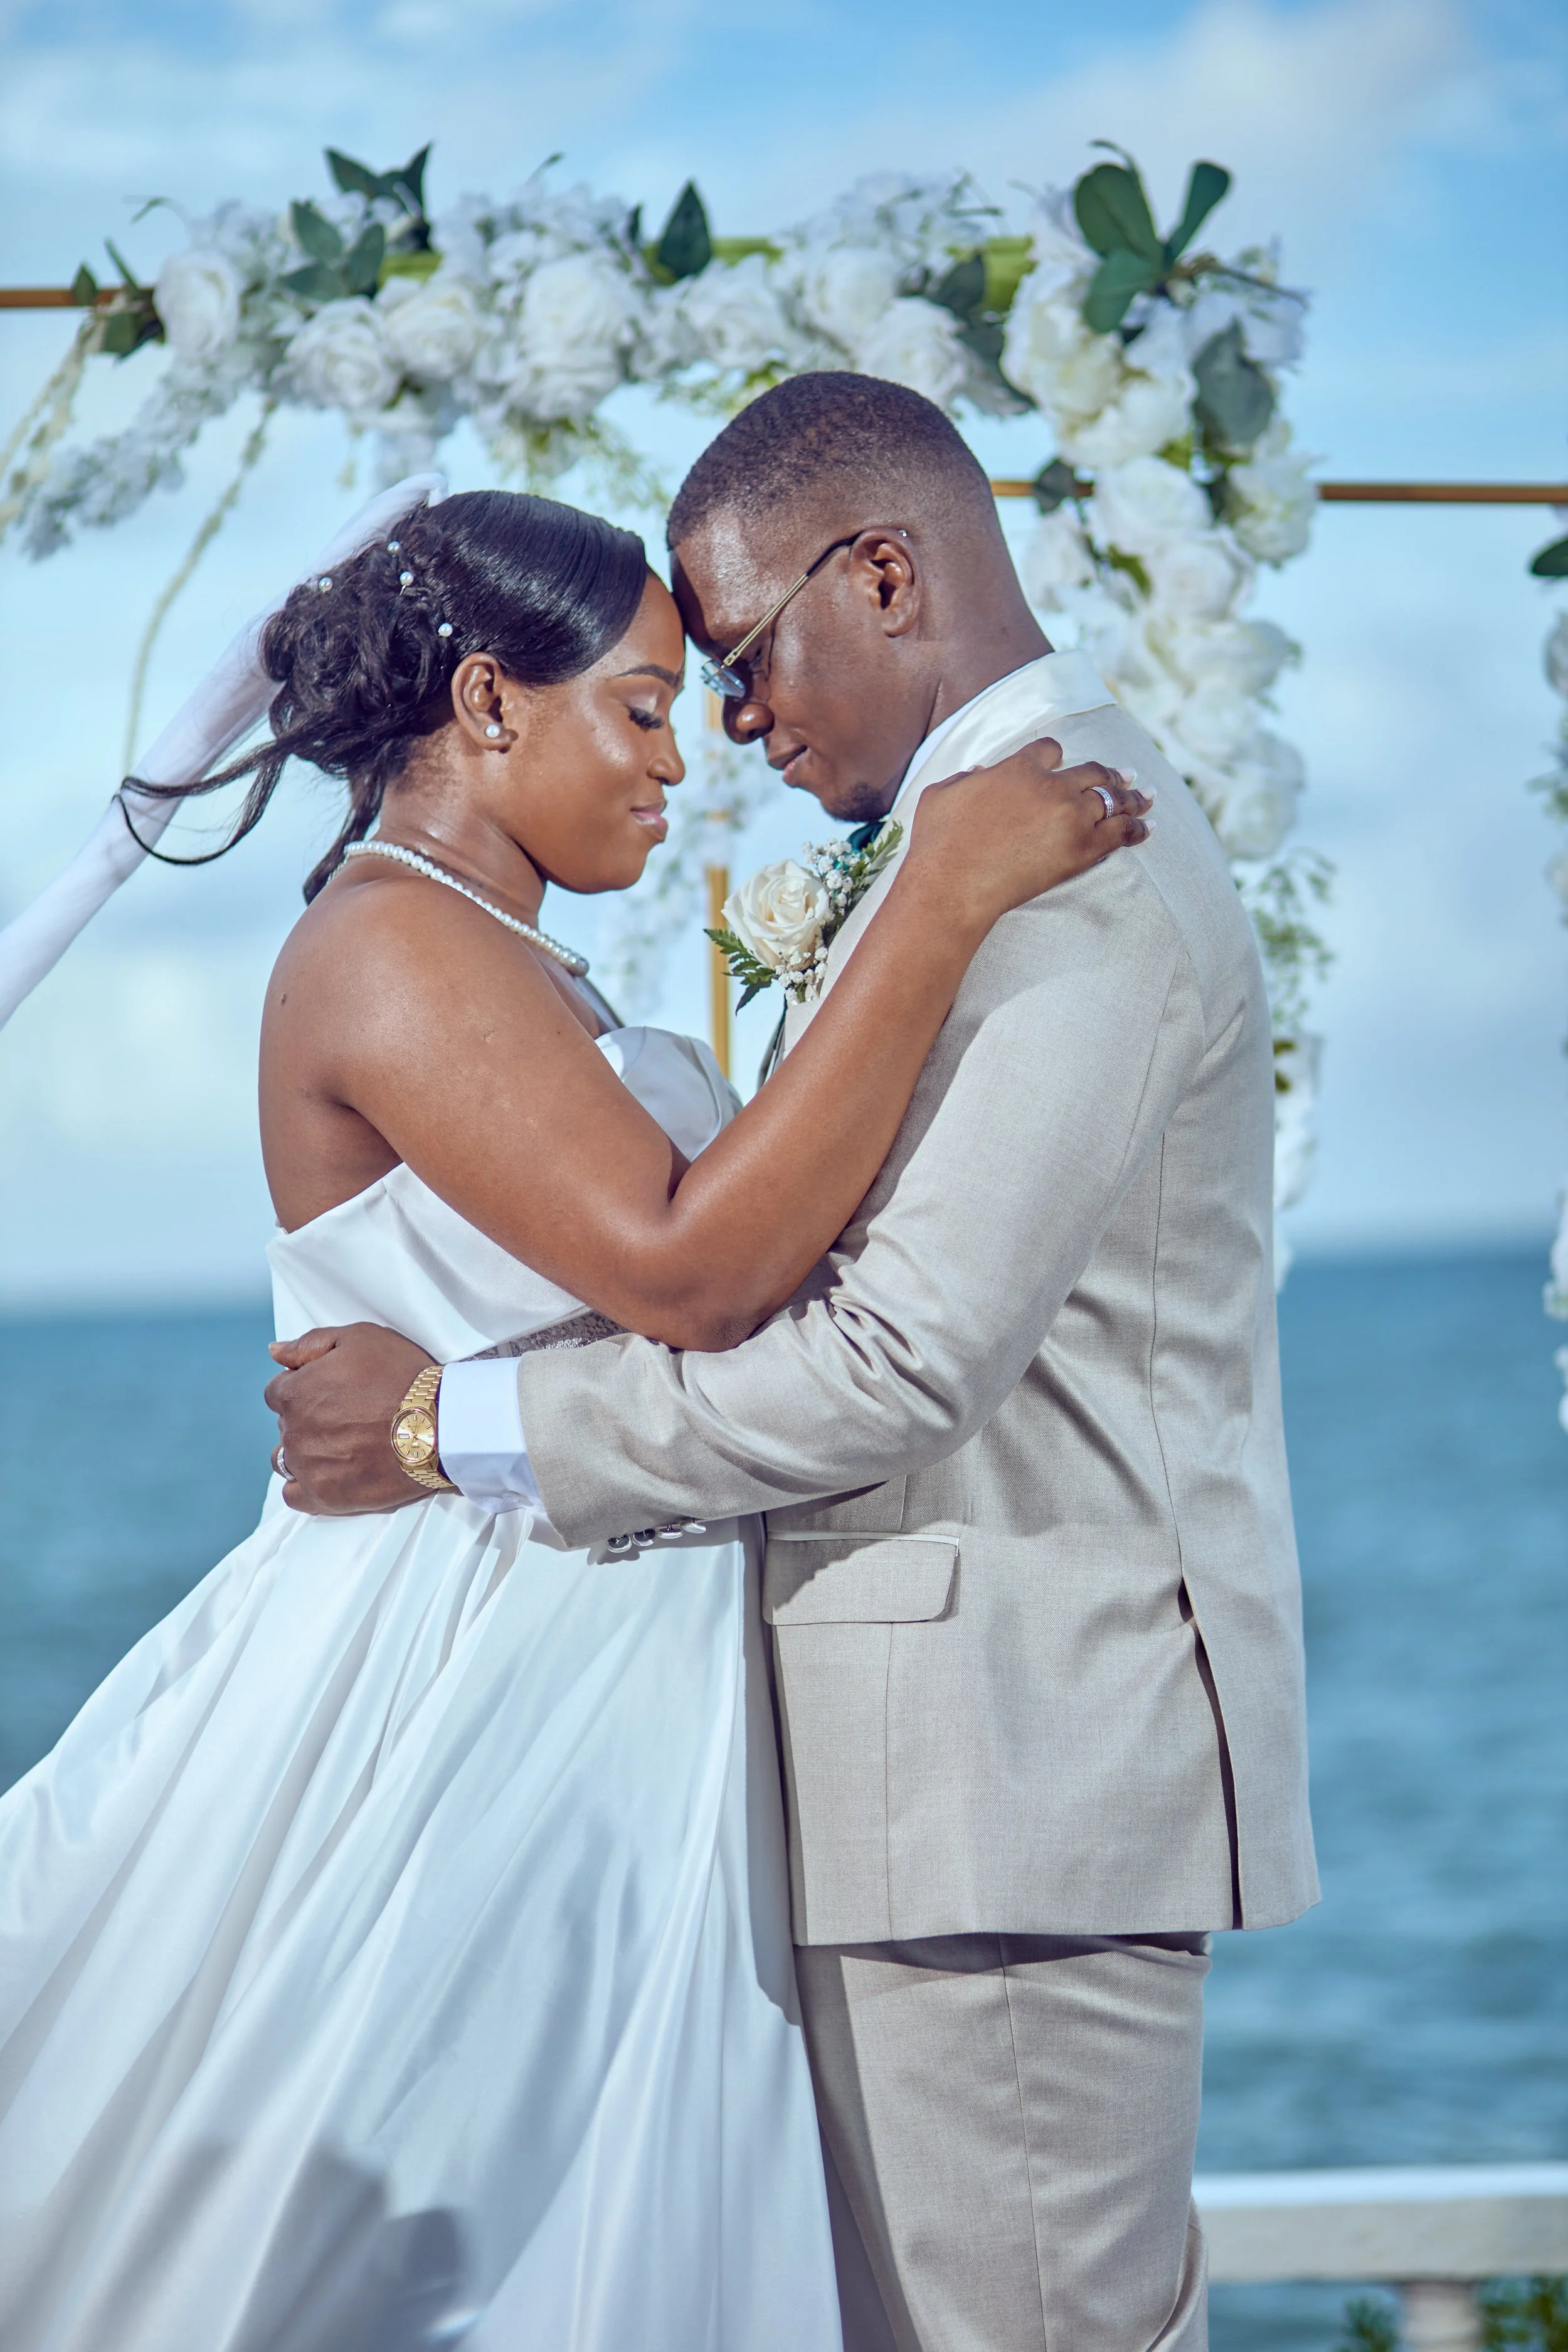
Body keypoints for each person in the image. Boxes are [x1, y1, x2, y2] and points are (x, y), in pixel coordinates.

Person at [0, 466, 1147, 2351]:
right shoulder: (391, 942)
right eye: (636, 708)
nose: (675, 767)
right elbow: (692, 1270)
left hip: (587, 1658)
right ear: (482, 703)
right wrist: (934, 904)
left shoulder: (501, 948)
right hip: (461, 1685)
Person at [271, 374, 1319, 2352]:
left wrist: (444, 1420)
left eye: (739, 662)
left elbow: (897, 1360)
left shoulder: (1056, 861)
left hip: (997, 1769)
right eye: (682, 693)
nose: (738, 732)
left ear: (887, 573)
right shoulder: (977, 850)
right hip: (899, 1784)